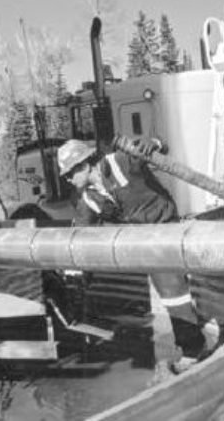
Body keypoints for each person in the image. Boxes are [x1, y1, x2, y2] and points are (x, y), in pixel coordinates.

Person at [57, 137, 210, 372]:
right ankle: (194, 343)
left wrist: (154, 143)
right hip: (144, 241)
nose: (68, 179)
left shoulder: (120, 162)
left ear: (84, 165)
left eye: (69, 173)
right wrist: (74, 273)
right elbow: (79, 235)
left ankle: (194, 349)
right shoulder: (89, 198)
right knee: (171, 295)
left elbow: (161, 149)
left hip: (166, 228)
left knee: (172, 291)